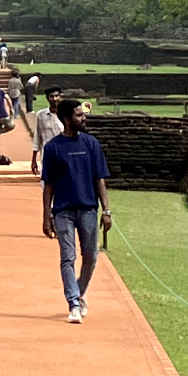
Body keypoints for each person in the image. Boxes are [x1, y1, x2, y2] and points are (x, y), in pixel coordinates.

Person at [38, 97, 112, 323]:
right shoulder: (53, 148)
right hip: (63, 211)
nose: (84, 117)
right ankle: (73, 304)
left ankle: (78, 294)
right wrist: (46, 217)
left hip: (88, 208)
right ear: (67, 120)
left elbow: (99, 179)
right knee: (67, 257)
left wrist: (107, 211)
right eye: (79, 115)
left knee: (91, 256)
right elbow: (48, 184)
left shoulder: (91, 144)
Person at [28, 86, 65, 171]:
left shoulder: (66, 115)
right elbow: (37, 137)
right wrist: (34, 159)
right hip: (47, 154)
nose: (54, 99)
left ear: (60, 96)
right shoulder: (41, 115)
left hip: (64, 153)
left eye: (56, 96)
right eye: (51, 96)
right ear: (47, 98)